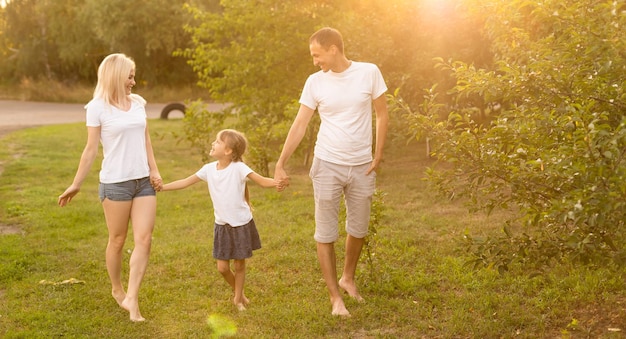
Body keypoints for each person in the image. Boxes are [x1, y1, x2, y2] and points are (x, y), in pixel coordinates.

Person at [274, 27, 389, 316]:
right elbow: (300, 123)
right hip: (326, 164)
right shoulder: (315, 83)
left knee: (359, 228)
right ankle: (334, 297)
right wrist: (281, 161)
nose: (314, 61)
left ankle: (348, 278)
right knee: (325, 232)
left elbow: (382, 113)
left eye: (317, 55)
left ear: (333, 49)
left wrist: (378, 154)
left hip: (362, 165)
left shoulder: (368, 72)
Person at [58, 53, 162, 322]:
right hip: (115, 184)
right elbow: (91, 149)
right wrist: (76, 183)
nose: (133, 81)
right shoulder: (97, 107)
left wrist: (154, 169)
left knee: (145, 239)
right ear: (116, 76)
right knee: (117, 240)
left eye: (133, 75)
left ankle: (132, 297)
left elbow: (146, 139)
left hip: (143, 183)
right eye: (129, 76)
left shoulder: (138, 103)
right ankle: (117, 289)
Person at [159, 129, 280, 311]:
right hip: (222, 225)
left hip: (241, 224)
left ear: (228, 151)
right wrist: (162, 187)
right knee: (222, 268)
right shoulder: (208, 169)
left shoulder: (239, 168)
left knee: (239, 265)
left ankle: (238, 299)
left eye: (217, 142)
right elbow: (185, 182)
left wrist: (278, 182)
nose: (213, 144)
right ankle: (240, 293)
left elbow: (262, 181)